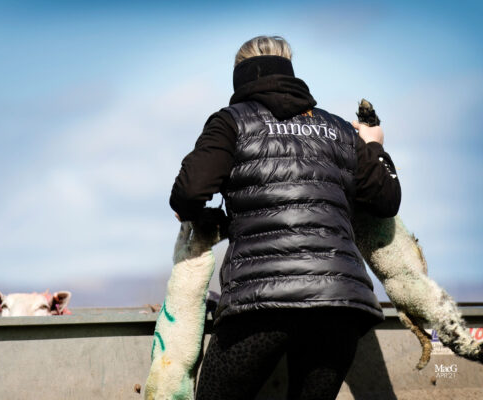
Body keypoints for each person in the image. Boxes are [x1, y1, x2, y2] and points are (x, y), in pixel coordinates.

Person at [169, 36, 401, 400]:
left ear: (239, 76)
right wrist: (374, 146)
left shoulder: (230, 122)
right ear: (290, 71)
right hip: (338, 307)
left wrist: (212, 221)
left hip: (260, 306)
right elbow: (387, 201)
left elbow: (188, 193)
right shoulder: (339, 129)